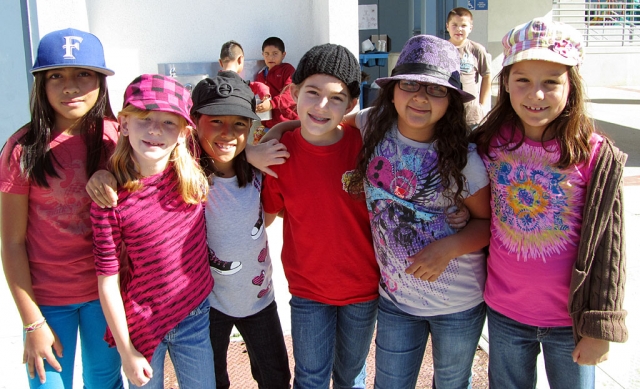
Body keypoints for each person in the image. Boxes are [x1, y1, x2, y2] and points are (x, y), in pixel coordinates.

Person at [471, 18, 628, 388]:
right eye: (523, 80)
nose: (535, 95)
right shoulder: (489, 143)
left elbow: (610, 248)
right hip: (506, 314)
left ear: (570, 86)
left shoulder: (596, 155)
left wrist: (600, 326)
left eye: (551, 83)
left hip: (570, 323)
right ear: (505, 82)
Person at [345, 35, 492, 389]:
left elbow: (488, 223)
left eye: (436, 89)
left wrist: (450, 247)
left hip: (458, 304)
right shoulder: (370, 125)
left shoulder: (465, 161)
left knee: (452, 383)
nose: (420, 97)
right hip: (396, 301)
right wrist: (275, 134)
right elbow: (320, 123)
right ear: (392, 90)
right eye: (410, 84)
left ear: (452, 101)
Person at [0, 27, 124, 389]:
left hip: (107, 296)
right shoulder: (21, 149)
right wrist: (32, 322)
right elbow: (11, 242)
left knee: (104, 380)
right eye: (56, 76)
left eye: (83, 74)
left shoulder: (120, 138)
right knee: (48, 383)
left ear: (101, 82)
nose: (70, 86)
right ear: (41, 83)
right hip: (48, 302)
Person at [260, 43, 380, 389]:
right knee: (310, 377)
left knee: (351, 376)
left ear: (352, 105)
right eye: (312, 92)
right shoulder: (280, 153)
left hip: (363, 288)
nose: (321, 106)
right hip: (308, 289)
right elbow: (265, 218)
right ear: (294, 92)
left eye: (336, 98)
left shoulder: (365, 145)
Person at [91, 74, 215, 389]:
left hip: (194, 314)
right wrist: (125, 351)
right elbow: (107, 282)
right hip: (141, 325)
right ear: (124, 122)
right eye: (144, 118)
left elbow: (238, 150)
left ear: (184, 133)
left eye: (168, 123)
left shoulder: (193, 180)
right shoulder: (108, 198)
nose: (156, 130)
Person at [190, 71, 291, 389]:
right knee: (211, 380)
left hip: (258, 299)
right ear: (195, 121)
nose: (227, 132)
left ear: (251, 127)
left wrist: (250, 151)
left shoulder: (259, 170)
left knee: (275, 377)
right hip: (209, 306)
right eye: (216, 121)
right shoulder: (185, 172)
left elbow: (288, 129)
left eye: (238, 123)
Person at [218, 40, 272, 145]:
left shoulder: (209, 86)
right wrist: (266, 98)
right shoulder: (244, 87)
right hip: (236, 138)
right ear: (240, 60)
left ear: (220, 63)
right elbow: (260, 86)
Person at [446, 7, 491, 128]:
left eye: (463, 25)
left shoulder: (477, 50)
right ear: (447, 26)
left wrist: (482, 104)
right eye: (454, 25)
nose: (459, 29)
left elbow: (487, 76)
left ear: (470, 28)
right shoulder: (441, 49)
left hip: (471, 115)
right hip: (446, 113)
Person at [255, 37, 298, 133]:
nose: (270, 57)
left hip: (287, 124)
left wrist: (271, 104)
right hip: (268, 125)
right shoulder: (260, 75)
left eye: (275, 54)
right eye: (267, 54)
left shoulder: (288, 70)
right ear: (263, 55)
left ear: (283, 55)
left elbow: (290, 94)